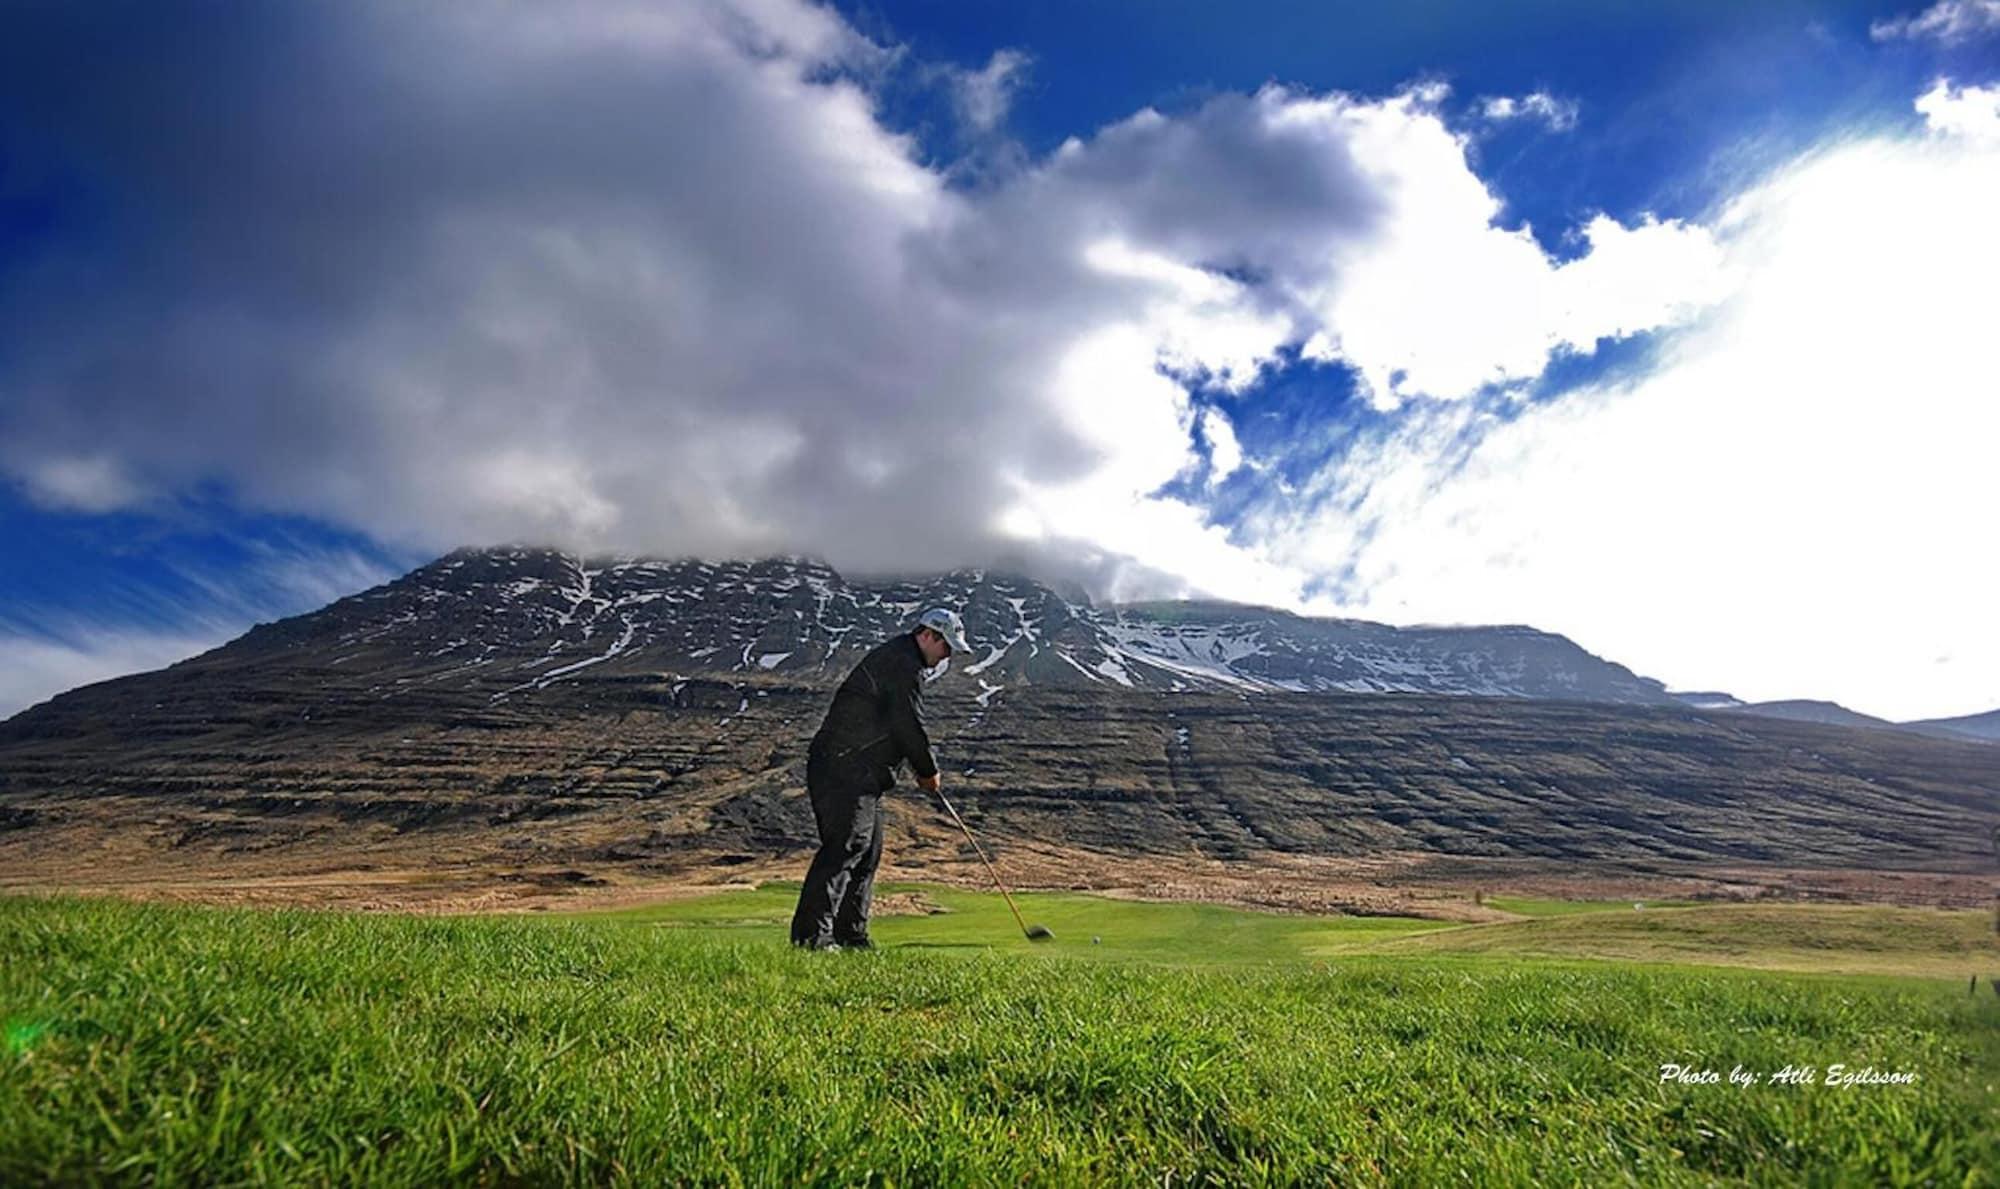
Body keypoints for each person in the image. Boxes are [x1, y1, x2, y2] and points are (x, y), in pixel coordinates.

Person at [789, 606, 970, 951]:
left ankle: (851, 937)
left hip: (860, 773)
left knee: (867, 853)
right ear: (928, 635)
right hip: (843, 769)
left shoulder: (902, 658)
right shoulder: (903, 664)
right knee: (845, 848)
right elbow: (907, 724)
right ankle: (812, 939)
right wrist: (927, 770)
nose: (947, 656)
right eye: (946, 646)